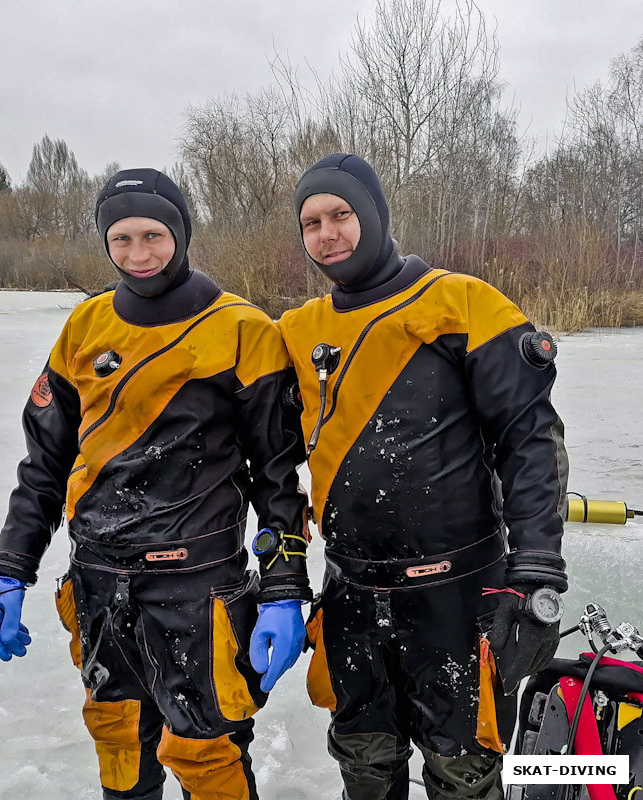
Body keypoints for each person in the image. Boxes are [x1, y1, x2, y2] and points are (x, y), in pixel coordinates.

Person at [0, 168, 313, 800]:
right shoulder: (86, 325)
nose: (138, 254)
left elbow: (277, 477)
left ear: (181, 234)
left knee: (207, 756)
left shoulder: (243, 329)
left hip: (199, 588)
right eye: (121, 238)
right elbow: (45, 463)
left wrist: (285, 584)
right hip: (101, 584)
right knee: (119, 743)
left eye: (153, 235)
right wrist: (10, 567)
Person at [278, 154, 569, 800]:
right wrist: (277, 574)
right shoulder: (298, 333)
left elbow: (531, 440)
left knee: (462, 773)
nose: (326, 234)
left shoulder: (462, 304)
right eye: (311, 222)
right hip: (352, 596)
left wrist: (539, 572)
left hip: (460, 599)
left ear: (375, 214)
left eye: (342, 215)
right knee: (366, 764)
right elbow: (259, 451)